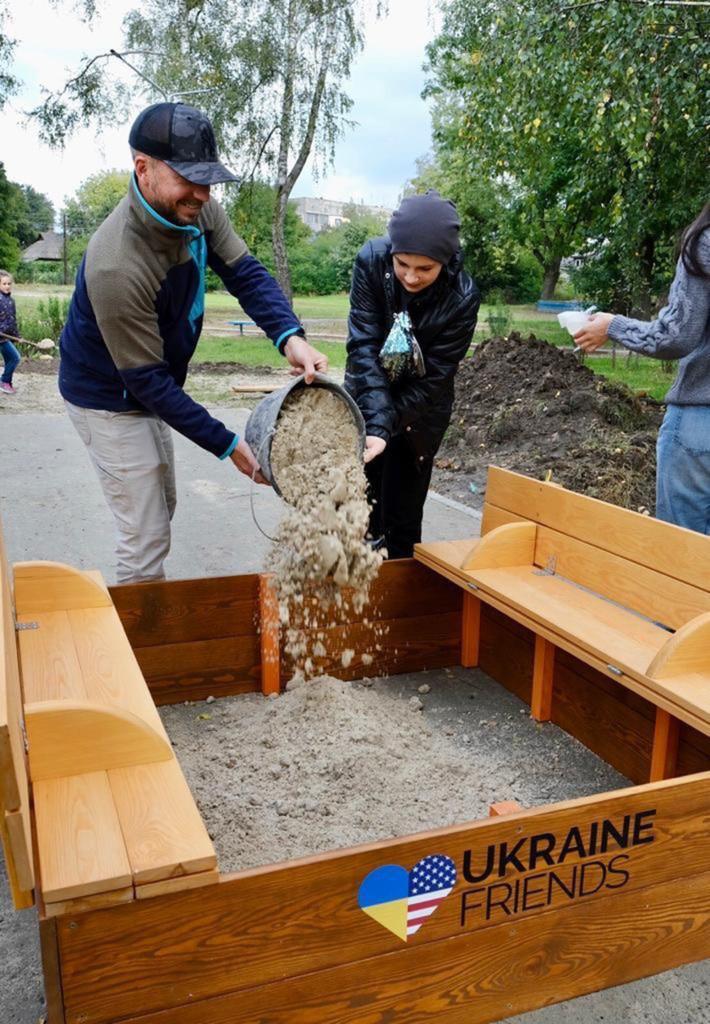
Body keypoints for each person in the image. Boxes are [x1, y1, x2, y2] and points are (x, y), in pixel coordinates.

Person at [59, 102, 328, 583]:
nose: (203, 194)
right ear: (143, 168)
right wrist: (228, 446)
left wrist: (292, 338)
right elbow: (148, 384)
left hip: (149, 378)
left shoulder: (196, 208)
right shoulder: (116, 263)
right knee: (145, 535)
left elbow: (244, 273)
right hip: (108, 394)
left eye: (208, 180)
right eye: (190, 179)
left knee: (163, 505)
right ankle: (143, 649)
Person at [345, 190, 480, 558]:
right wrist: (376, 423)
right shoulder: (371, 262)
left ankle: (401, 601)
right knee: (360, 511)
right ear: (392, 253)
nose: (411, 277)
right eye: (403, 264)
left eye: (425, 269)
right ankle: (357, 592)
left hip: (421, 414)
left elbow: (435, 379)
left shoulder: (463, 297)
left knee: (403, 518)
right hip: (368, 395)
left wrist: (388, 425)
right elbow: (363, 346)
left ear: (446, 261)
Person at [575, 203, 710, 535]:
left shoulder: (704, 243)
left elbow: (675, 336)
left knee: (682, 558)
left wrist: (613, 326)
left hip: (700, 427)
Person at [0, 271, 21, 395]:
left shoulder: (11, 301)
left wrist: (17, 337)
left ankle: (6, 381)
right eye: (4, 284)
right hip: (0, 337)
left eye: (9, 283)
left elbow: (13, 321)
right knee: (15, 357)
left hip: (5, 337)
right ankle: (5, 381)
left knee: (11, 359)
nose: (7, 286)